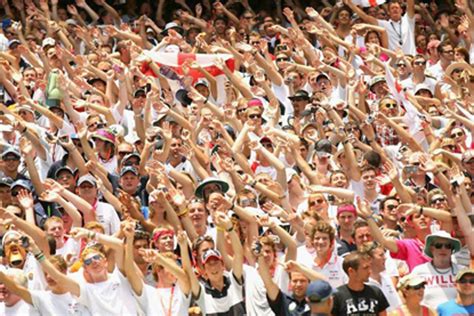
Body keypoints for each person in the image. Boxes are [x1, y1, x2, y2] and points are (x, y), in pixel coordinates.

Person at [411, 230, 462, 308]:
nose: (443, 249)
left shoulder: (462, 272)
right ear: (431, 249)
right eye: (438, 245)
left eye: (447, 246)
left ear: (451, 250)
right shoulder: (418, 271)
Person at [331, 252, 389, 316]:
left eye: (369, 267)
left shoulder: (376, 292)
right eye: (365, 268)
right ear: (351, 271)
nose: (370, 271)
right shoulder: (337, 296)